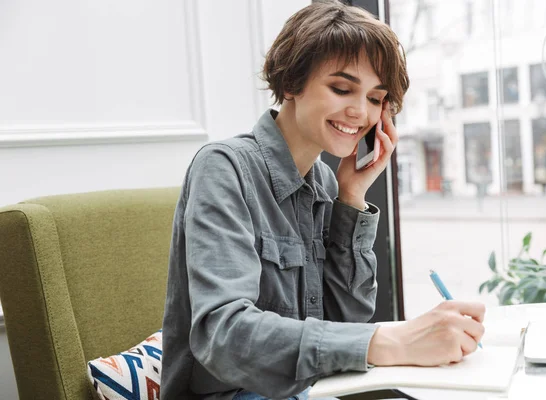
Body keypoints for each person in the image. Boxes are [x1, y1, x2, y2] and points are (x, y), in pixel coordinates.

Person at [161, 1, 486, 399]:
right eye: (342, 88)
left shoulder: (326, 183)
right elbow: (223, 336)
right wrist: (390, 340)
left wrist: (351, 197)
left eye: (374, 98)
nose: (360, 112)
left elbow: (344, 321)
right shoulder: (224, 168)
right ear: (292, 82)